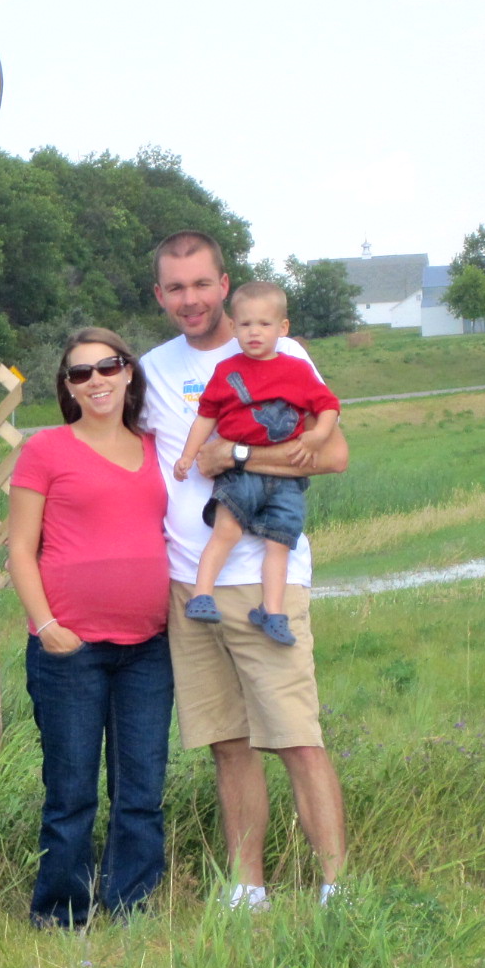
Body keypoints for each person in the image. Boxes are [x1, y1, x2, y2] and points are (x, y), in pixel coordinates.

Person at [139, 231, 348, 911]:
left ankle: (337, 889)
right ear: (159, 295)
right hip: (188, 584)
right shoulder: (152, 370)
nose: (191, 299)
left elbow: (333, 455)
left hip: (265, 580)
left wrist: (233, 455)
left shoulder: (283, 355)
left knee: (297, 739)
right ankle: (247, 888)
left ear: (224, 286)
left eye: (202, 284)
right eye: (176, 288)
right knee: (228, 744)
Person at [7, 327, 174, 928]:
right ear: (68, 388)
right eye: (80, 373)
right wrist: (47, 624)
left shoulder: (156, 446)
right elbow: (20, 550)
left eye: (107, 367)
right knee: (71, 790)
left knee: (141, 788)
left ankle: (130, 904)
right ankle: (61, 913)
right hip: (69, 648)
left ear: (128, 372)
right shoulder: (45, 449)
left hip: (149, 647)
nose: (96, 380)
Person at [172, 281, 340, 647]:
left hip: (286, 479)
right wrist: (187, 455)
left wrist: (318, 435)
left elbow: (328, 406)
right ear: (233, 327)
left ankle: (272, 611)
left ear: (282, 327)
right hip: (239, 475)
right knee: (227, 530)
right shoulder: (226, 371)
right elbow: (205, 417)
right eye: (246, 324)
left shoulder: (297, 370)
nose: (254, 332)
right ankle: (202, 595)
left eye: (264, 324)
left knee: (278, 543)